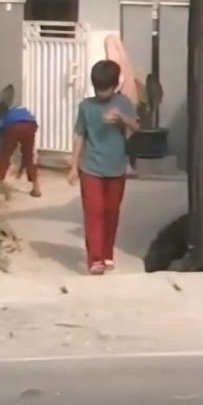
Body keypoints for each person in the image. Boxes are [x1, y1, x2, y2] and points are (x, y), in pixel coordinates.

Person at [67, 60, 139, 276]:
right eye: (98, 88)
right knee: (93, 212)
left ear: (115, 84)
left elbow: (136, 126)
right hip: (91, 168)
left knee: (111, 212)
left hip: (116, 168)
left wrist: (122, 119)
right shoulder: (86, 107)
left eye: (106, 88)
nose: (102, 93)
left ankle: (107, 254)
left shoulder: (123, 103)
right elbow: (80, 134)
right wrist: (73, 166)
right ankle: (95, 259)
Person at [0, 102, 40, 198]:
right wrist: (21, 169)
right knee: (29, 156)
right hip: (31, 125)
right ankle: (36, 188)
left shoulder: (4, 114)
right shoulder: (20, 108)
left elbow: (0, 130)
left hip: (14, 127)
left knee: (5, 155)